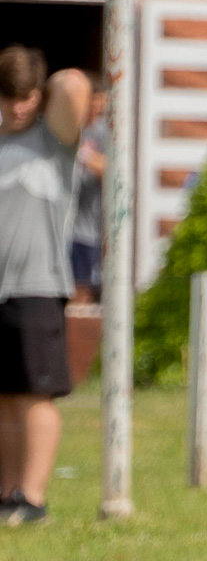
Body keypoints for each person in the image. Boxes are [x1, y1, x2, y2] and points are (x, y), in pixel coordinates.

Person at [0, 46, 90, 527]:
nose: (17, 107)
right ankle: (6, 495)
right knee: (4, 399)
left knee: (35, 395)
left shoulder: (53, 140)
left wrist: (45, 85)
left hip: (36, 286)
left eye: (26, 97)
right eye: (8, 97)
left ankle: (32, 499)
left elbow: (75, 84)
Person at [69, 82, 106, 305]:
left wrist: (84, 156)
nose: (97, 110)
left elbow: (113, 171)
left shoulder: (105, 132)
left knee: (84, 292)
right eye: (94, 104)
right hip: (68, 228)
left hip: (91, 230)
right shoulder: (69, 128)